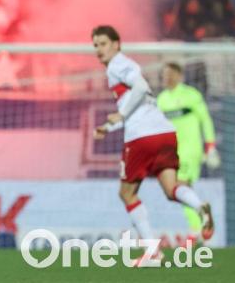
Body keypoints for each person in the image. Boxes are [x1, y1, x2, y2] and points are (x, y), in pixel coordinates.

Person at [91, 26, 213, 264]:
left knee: (126, 193)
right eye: (95, 45)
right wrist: (108, 127)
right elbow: (141, 100)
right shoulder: (121, 68)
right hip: (165, 133)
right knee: (171, 188)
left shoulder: (118, 64)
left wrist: (121, 115)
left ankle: (152, 251)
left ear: (116, 44)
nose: (98, 50)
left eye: (103, 43)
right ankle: (200, 206)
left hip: (142, 137)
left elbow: (137, 87)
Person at [156, 62, 220, 240]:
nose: (166, 77)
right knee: (177, 191)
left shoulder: (191, 95)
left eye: (170, 74)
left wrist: (211, 146)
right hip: (172, 152)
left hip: (190, 149)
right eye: (164, 74)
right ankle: (200, 225)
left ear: (179, 76)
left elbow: (205, 120)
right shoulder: (162, 99)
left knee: (180, 186)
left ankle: (196, 226)